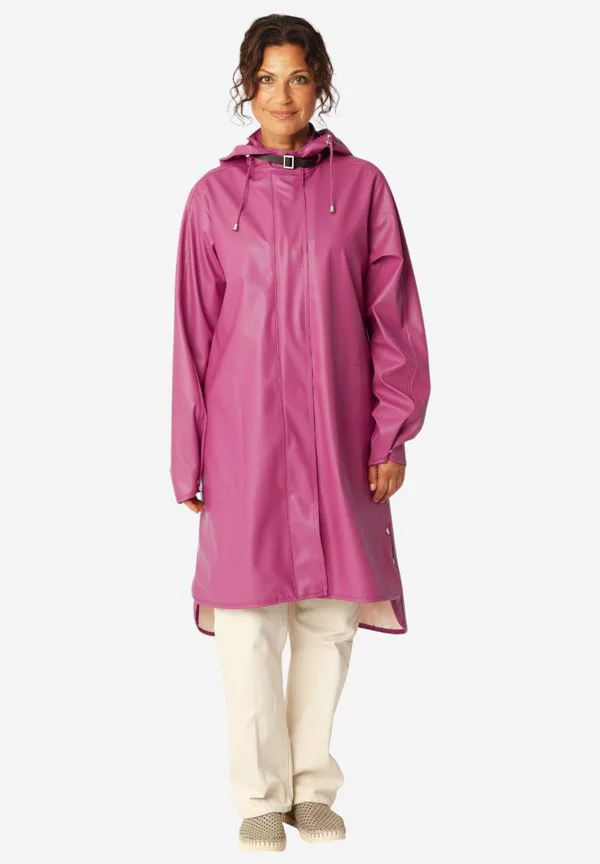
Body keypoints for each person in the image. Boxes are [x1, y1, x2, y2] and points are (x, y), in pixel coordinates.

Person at [170, 14, 431, 852]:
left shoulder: (363, 190)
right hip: (243, 439)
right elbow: (192, 334)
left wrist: (389, 434)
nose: (281, 95)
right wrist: (189, 452)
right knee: (247, 621)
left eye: (298, 77)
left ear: (321, 83)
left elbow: (393, 319)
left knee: (328, 616)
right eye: (266, 78)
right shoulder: (213, 199)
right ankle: (259, 795)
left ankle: (311, 786)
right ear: (245, 86)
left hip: (337, 435)